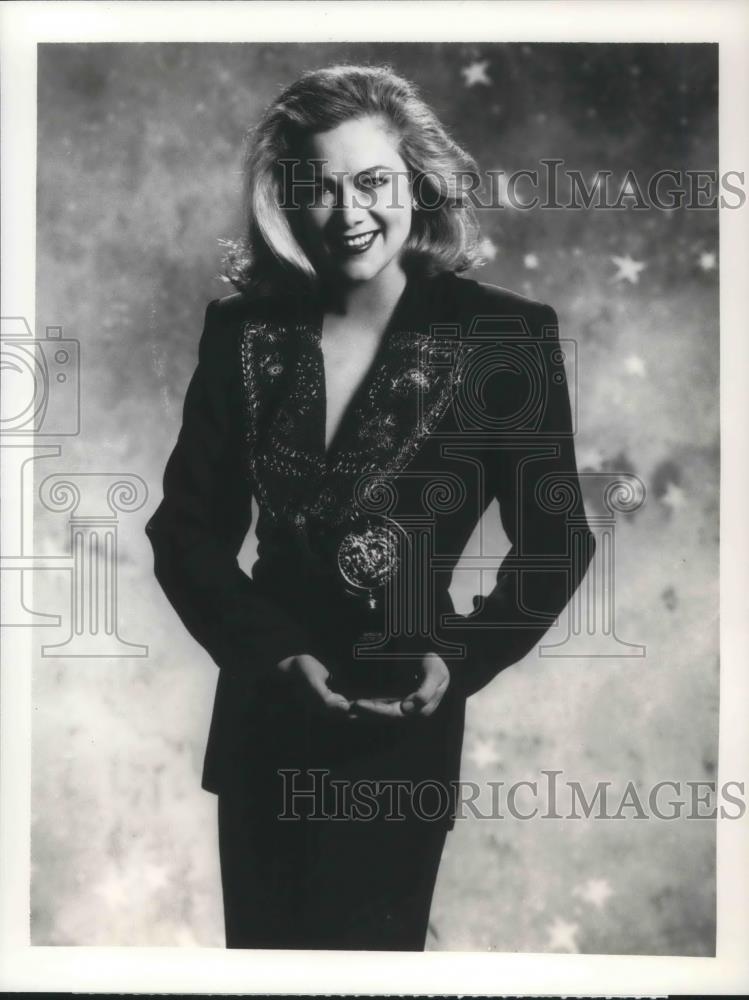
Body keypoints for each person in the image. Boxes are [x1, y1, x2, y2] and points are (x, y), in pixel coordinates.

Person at [145, 63, 595, 951]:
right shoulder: (244, 332)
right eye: (317, 187)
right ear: (284, 200)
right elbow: (186, 532)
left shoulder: (502, 337)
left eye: (373, 181)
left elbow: (556, 540)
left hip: (400, 728)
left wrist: (457, 661)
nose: (348, 212)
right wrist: (272, 657)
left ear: (417, 184)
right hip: (265, 729)